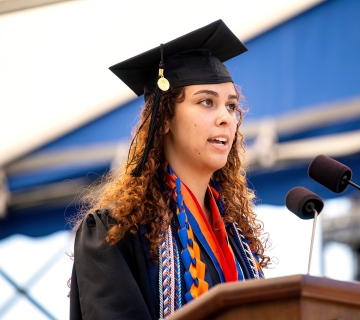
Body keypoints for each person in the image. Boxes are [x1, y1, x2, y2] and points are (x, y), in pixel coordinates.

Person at [69, 20, 270, 319]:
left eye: (230, 106)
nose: (226, 118)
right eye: (206, 102)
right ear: (163, 119)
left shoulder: (235, 235)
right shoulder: (115, 233)